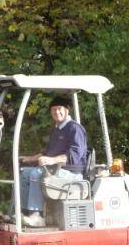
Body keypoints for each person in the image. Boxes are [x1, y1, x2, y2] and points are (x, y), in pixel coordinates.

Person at [18, 96, 88, 227]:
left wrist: (51, 160)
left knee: (36, 174)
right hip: (56, 170)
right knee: (25, 173)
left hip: (71, 173)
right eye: (54, 110)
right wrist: (28, 158)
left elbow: (75, 155)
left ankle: (37, 216)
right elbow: (46, 153)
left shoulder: (74, 128)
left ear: (67, 110)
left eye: (59, 109)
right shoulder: (56, 129)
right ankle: (25, 212)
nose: (57, 112)